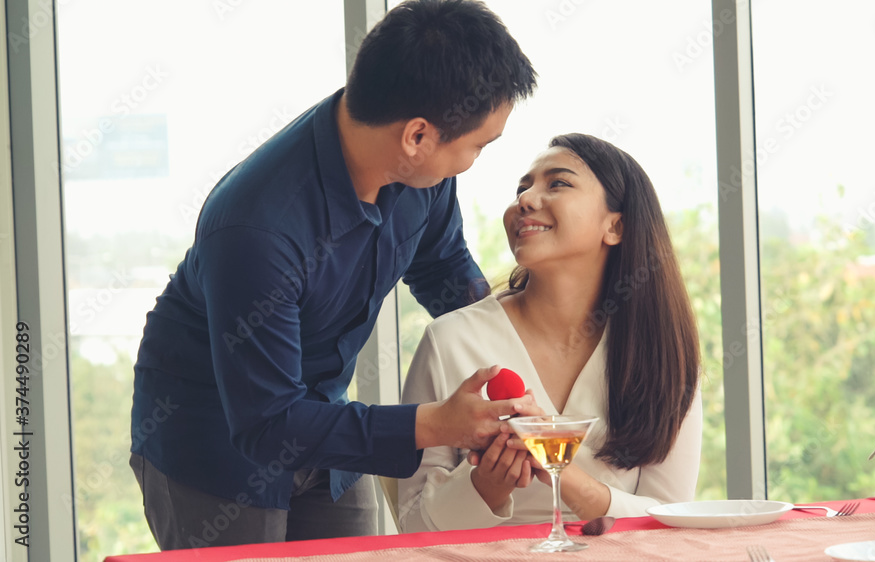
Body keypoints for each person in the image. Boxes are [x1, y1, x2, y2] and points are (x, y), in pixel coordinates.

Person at [129, 0, 539, 550]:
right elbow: (266, 423)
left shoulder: (421, 176)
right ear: (417, 136)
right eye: (477, 147)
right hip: (215, 438)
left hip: (326, 419)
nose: (472, 161)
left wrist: (512, 363)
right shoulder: (257, 225)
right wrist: (435, 424)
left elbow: (445, 272)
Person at [396, 133, 703, 532]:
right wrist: (485, 486)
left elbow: (672, 521)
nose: (525, 199)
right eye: (522, 188)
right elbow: (413, 529)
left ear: (616, 226)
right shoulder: (450, 341)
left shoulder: (664, 357)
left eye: (557, 183)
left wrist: (573, 482)